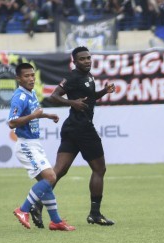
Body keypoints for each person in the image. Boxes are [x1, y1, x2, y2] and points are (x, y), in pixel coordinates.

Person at [43, 46, 116, 227]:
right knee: (99, 169)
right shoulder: (74, 76)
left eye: (88, 58)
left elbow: (89, 98)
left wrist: (103, 92)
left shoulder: (88, 76)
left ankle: (35, 205)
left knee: (59, 171)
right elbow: (53, 96)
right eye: (82, 59)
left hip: (72, 128)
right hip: (83, 128)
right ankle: (95, 214)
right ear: (74, 62)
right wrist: (72, 103)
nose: (87, 61)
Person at [9, 63, 75, 231]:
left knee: (46, 182)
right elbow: (11, 122)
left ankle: (56, 221)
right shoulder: (20, 97)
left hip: (34, 144)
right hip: (25, 145)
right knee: (51, 178)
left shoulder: (30, 94)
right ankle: (23, 210)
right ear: (18, 78)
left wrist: (45, 115)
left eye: (32, 75)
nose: (31, 79)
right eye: (26, 76)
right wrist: (35, 115)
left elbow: (33, 113)